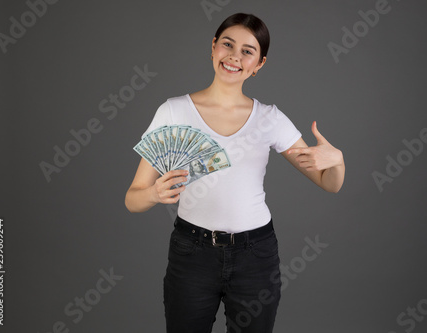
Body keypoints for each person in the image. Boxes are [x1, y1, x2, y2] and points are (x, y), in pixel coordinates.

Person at [125, 12, 345, 333]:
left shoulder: (269, 118)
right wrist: (153, 193)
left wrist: (336, 160)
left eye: (247, 51)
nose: (234, 56)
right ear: (213, 47)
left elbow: (329, 183)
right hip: (192, 254)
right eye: (227, 44)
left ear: (259, 65)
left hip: (255, 256)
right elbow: (133, 199)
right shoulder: (174, 111)